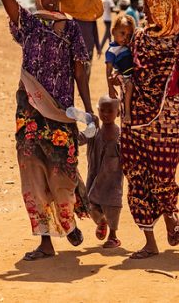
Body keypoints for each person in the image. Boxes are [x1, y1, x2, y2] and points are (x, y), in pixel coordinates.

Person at [0, 0, 95, 260]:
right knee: (32, 176)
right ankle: (45, 242)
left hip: (61, 113)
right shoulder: (29, 23)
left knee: (61, 174)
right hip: (29, 112)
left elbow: (80, 73)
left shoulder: (72, 30)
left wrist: (87, 110)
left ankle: (68, 221)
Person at [118, 0, 179, 259]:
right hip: (134, 120)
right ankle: (149, 241)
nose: (146, 12)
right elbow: (128, 71)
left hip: (166, 119)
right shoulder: (140, 38)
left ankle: (170, 212)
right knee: (136, 177)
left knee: (163, 176)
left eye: (151, 7)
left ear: (165, 8)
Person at [80, 96, 123, 249]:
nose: (105, 114)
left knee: (113, 207)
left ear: (118, 113)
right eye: (102, 110)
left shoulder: (120, 136)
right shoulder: (95, 132)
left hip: (112, 181)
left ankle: (113, 236)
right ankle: (100, 222)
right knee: (90, 204)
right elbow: (81, 138)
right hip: (94, 177)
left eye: (110, 111)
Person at [105, 15, 135, 123]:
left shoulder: (128, 46)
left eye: (128, 35)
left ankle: (118, 109)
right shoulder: (111, 51)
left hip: (130, 73)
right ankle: (127, 113)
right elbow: (108, 70)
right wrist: (110, 87)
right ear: (113, 32)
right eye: (122, 33)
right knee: (129, 86)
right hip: (124, 75)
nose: (125, 38)